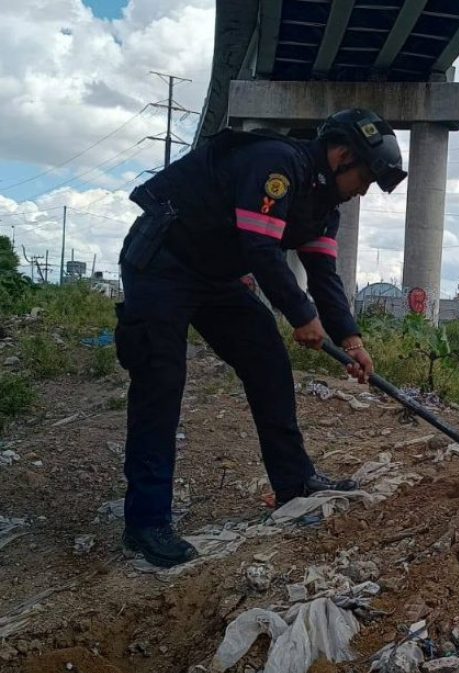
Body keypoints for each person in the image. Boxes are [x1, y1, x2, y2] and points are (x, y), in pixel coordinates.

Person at [115, 108, 407, 568]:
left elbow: (324, 276)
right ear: (342, 155)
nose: (364, 190)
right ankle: (147, 522)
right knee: (160, 382)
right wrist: (301, 315)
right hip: (163, 264)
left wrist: (351, 340)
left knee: (268, 364)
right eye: (366, 177)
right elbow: (261, 251)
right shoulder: (277, 163)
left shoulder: (325, 206)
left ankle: (294, 482)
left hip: (215, 276)